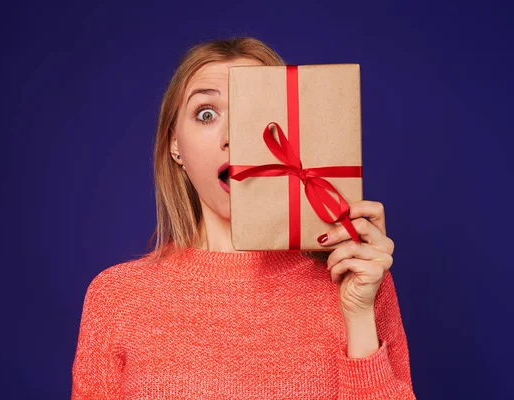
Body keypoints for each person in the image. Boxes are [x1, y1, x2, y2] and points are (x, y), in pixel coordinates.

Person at [71, 37, 416, 399]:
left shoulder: (355, 280)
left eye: (255, 110)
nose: (233, 137)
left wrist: (359, 317)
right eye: (206, 113)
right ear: (175, 145)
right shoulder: (116, 298)